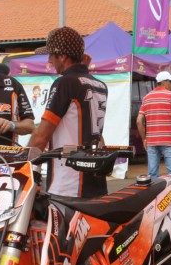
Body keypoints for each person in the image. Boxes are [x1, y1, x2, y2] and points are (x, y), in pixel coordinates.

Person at [27, 27, 109, 198]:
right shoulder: (99, 85)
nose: (49, 60)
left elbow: (41, 137)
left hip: (68, 185)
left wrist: (20, 165)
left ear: (62, 56)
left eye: (51, 55)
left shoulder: (65, 83)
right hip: (96, 182)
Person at [136, 71, 171, 178]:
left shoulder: (146, 97)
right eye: (170, 82)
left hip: (152, 141)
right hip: (168, 140)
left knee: (152, 174)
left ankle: (153, 195)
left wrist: (144, 139)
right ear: (164, 82)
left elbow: (139, 121)